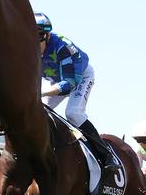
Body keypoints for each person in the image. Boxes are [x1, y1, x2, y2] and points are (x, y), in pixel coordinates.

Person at [37, 12, 119, 177]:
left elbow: (70, 82)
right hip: (57, 80)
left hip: (80, 77)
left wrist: (41, 91)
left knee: (73, 113)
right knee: (38, 109)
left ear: (46, 35)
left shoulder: (63, 47)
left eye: (36, 38)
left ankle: (107, 155)